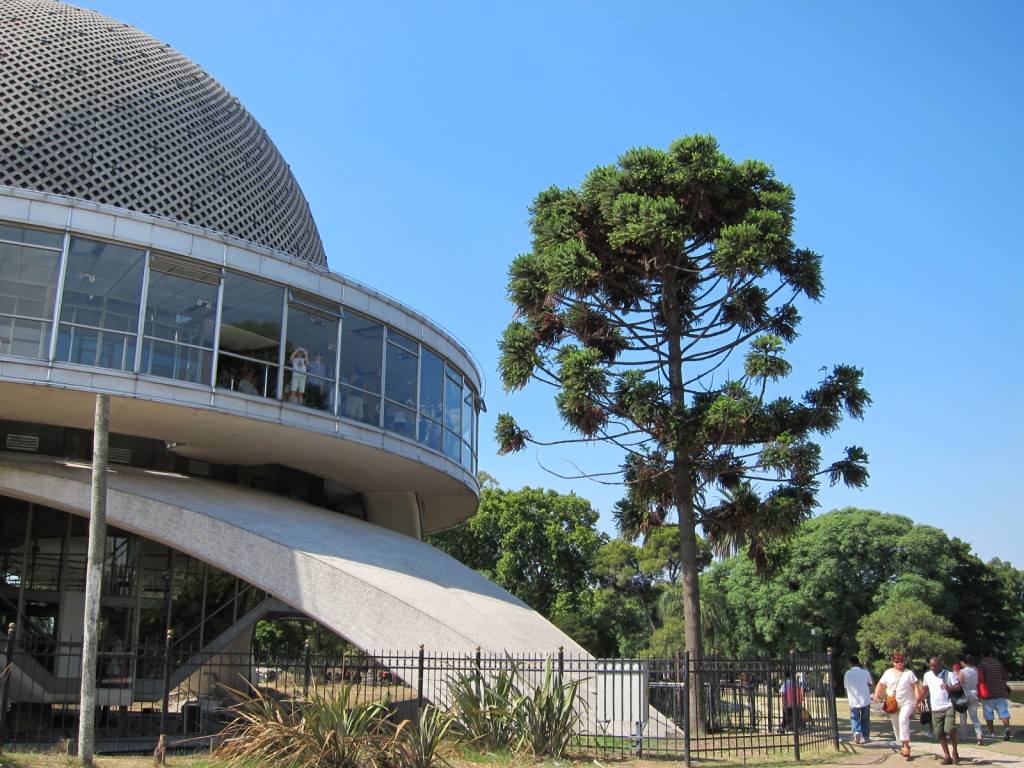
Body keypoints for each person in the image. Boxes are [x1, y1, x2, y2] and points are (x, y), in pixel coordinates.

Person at [873, 652, 923, 760]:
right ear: (893, 662)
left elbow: (915, 687)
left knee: (903, 720)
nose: (899, 663)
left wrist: (918, 700)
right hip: (892, 703)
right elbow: (880, 684)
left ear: (904, 662)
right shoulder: (888, 673)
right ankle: (903, 744)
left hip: (907, 702)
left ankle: (905, 746)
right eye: (897, 661)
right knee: (896, 725)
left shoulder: (908, 673)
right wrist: (877, 693)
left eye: (901, 661)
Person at [922, 656, 961, 765]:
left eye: (935, 666)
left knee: (950, 729)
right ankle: (947, 756)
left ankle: (955, 751)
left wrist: (949, 688)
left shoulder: (948, 674)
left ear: (940, 665)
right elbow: (924, 689)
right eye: (931, 666)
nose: (933, 668)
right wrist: (918, 701)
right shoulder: (927, 675)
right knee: (939, 733)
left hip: (948, 706)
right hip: (935, 708)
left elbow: (958, 686)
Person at [977, 650, 1013, 740]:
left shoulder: (981, 665)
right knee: (1003, 712)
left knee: (988, 714)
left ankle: (992, 733)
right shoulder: (998, 663)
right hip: (1001, 692)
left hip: (988, 694)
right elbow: (1006, 677)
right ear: (991, 654)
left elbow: (980, 679)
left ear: (982, 655)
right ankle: (1006, 728)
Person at [844, 656, 874, 744]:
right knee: (865, 718)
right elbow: (870, 683)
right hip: (865, 698)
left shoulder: (847, 673)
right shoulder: (865, 672)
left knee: (854, 717)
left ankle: (856, 732)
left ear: (850, 663)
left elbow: (846, 686)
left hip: (854, 699)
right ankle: (866, 736)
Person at [958, 654, 985, 745]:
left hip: (964, 695)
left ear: (962, 662)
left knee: (963, 717)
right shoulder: (975, 670)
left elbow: (959, 684)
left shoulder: (962, 672)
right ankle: (979, 734)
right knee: (974, 717)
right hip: (974, 693)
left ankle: (964, 736)